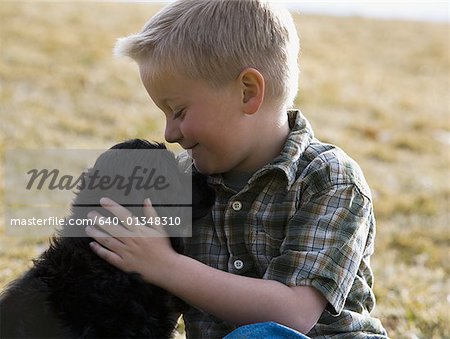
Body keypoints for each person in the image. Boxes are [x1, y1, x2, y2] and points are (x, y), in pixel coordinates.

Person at [85, 0, 388, 337]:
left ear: (247, 92)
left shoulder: (329, 179)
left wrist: (164, 265)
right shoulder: (186, 183)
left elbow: (294, 313)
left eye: (179, 111)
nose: (169, 133)